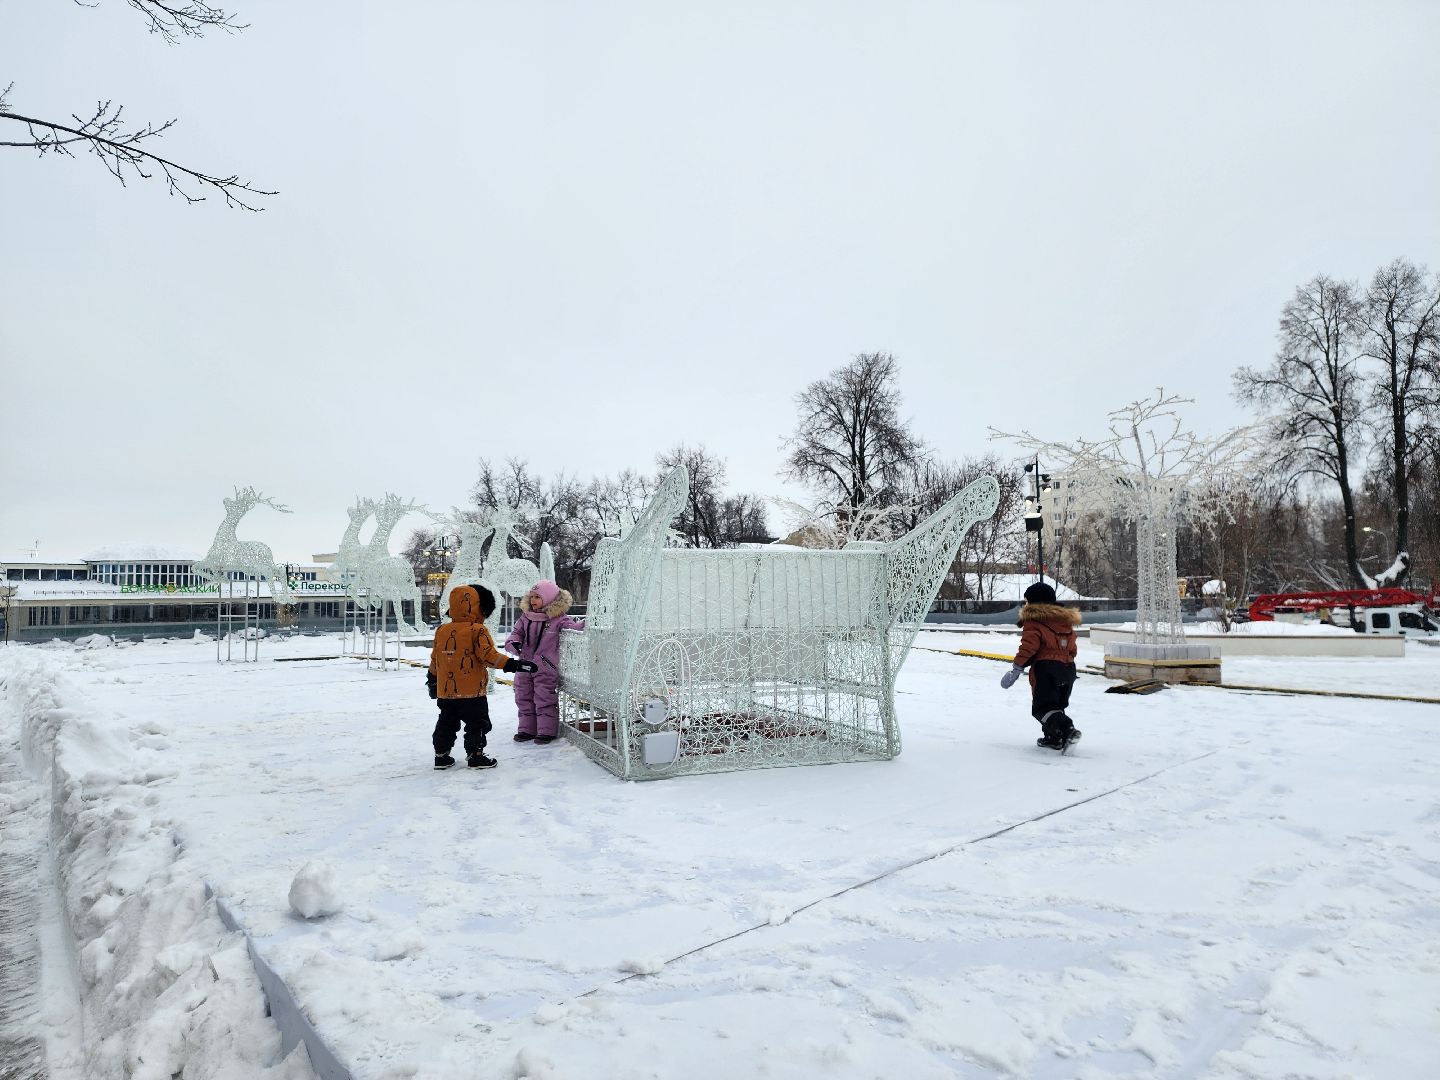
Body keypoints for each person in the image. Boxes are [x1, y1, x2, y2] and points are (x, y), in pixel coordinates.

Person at [427, 584, 536, 770]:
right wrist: (514, 664)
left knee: (446, 722)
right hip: (472, 692)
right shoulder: (477, 630)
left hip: (446, 691)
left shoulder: (442, 630)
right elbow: (489, 657)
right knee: (477, 723)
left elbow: (435, 659)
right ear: (480, 607)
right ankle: (475, 755)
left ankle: (441, 755)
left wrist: (432, 679)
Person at [999, 581, 1082, 749]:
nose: (1026, 604)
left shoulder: (1034, 621)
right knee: (1056, 705)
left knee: (1042, 707)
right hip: (1068, 668)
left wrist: (1016, 669)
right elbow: (1072, 648)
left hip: (1046, 668)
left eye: (1027, 600)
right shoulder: (1065, 621)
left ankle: (1067, 729)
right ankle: (1054, 738)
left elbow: (1028, 648)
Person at [504, 579, 584, 744]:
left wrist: (583, 625)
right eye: (531, 596)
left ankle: (546, 731)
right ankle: (527, 729)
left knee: (544, 698)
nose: (533, 600)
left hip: (545, 666)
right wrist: (513, 643)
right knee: (523, 696)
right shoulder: (526, 618)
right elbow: (516, 633)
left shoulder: (558, 619)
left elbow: (571, 629)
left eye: (537, 597)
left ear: (548, 599)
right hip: (524, 665)